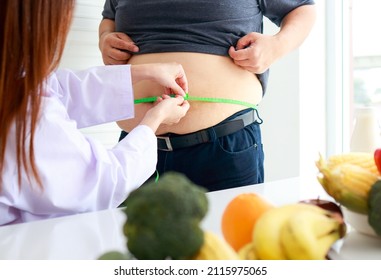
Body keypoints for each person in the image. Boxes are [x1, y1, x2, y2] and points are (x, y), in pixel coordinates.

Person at [0, 0, 190, 225]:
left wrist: (140, 73)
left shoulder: (12, 77)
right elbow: (103, 182)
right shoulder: (23, 115)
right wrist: (153, 121)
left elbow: (57, 89)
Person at [99, 0, 316, 191]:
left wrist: (277, 45)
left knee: (227, 237)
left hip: (223, 147)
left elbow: (302, 8)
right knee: (129, 238)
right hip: (136, 148)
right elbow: (109, 18)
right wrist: (106, 38)